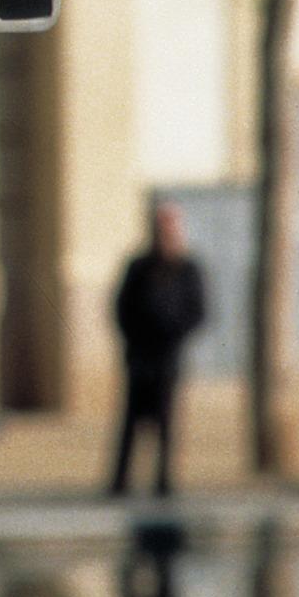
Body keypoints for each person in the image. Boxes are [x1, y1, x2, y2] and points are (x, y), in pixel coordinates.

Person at [109, 201, 207, 499]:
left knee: (166, 420)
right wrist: (134, 337)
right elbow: (121, 308)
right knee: (131, 421)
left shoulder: (188, 269)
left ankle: (163, 482)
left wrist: (173, 333)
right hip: (140, 354)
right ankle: (121, 481)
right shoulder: (138, 266)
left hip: (169, 356)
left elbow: (198, 310)